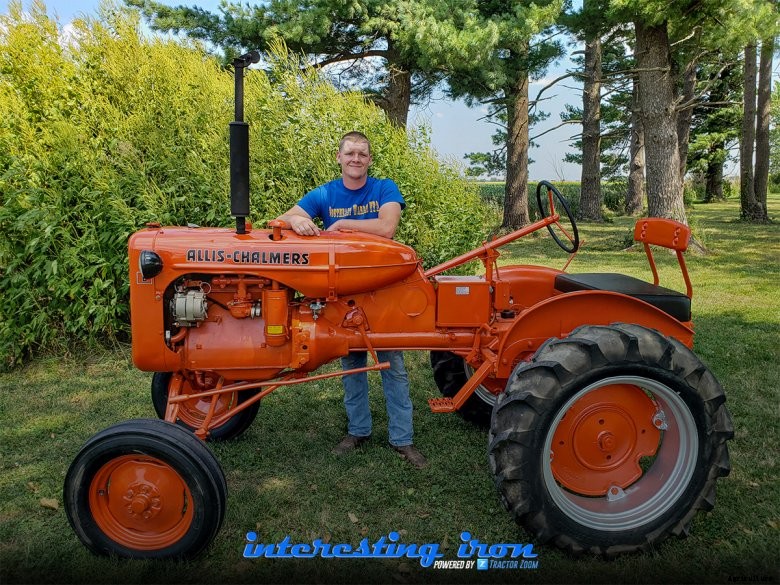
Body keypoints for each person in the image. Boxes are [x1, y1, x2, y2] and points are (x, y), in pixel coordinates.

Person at [276, 131, 427, 469]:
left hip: (385, 289)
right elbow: (283, 219)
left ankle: (402, 439)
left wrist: (342, 223)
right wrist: (299, 219)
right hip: (343, 294)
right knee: (352, 365)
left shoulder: (385, 188)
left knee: (394, 367)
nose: (356, 159)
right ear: (339, 157)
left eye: (362, 154)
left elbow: (387, 228)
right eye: (350, 153)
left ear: (369, 160)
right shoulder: (325, 192)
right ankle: (358, 431)